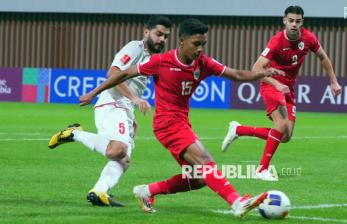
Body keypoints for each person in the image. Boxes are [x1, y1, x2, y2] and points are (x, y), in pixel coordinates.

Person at [79, 18, 282, 217]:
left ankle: (147, 191)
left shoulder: (203, 63)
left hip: (182, 122)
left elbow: (237, 75)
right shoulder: (160, 61)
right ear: (182, 41)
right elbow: (122, 74)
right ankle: (237, 202)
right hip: (167, 124)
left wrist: (261, 74)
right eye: (196, 44)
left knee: (199, 178)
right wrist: (93, 93)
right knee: (205, 161)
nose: (200, 49)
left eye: (203, 44)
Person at [48, 16, 172, 206]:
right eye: (159, 34)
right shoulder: (135, 47)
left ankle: (99, 191)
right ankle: (75, 134)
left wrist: (131, 114)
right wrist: (134, 99)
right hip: (113, 102)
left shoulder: (153, 57)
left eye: (165, 36)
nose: (162, 39)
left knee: (125, 159)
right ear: (146, 31)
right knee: (118, 150)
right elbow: (113, 73)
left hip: (125, 108)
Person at [221, 5, 342, 181]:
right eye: (291, 20)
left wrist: (333, 81)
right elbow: (256, 68)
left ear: (302, 22)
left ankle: (239, 129)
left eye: (297, 21)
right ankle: (262, 169)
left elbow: (323, 57)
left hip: (289, 88)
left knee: (285, 136)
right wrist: (276, 83)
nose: (294, 24)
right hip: (271, 85)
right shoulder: (276, 41)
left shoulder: (308, 38)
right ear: (284, 20)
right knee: (282, 123)